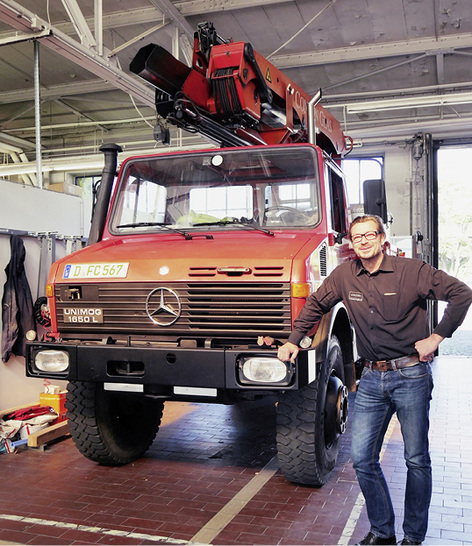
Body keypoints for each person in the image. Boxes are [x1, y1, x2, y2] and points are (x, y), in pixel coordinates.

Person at [277, 214, 472, 546]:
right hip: (370, 378)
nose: (364, 241)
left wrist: (437, 337)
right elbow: (316, 304)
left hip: (411, 375)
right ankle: (382, 531)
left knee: (416, 459)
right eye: (357, 236)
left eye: (370, 235)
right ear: (350, 244)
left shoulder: (412, 271)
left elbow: (462, 293)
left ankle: (413, 537)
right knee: (362, 458)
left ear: (383, 238)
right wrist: (295, 339)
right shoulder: (343, 276)